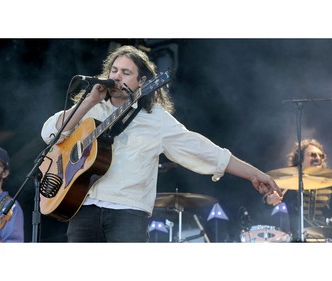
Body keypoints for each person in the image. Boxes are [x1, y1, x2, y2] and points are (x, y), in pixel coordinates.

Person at [41, 45, 282, 242]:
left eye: (126, 72)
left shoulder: (155, 119)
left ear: (141, 81)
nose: (116, 76)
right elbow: (50, 133)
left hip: (128, 213)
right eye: (114, 70)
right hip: (84, 209)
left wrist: (252, 173)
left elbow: (202, 149)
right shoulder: (92, 108)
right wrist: (88, 101)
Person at [264, 138, 332, 241]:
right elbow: (265, 206)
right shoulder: (290, 183)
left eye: (321, 156)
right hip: (298, 240)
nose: (318, 158)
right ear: (299, 159)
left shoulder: (329, 184)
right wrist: (269, 200)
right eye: (313, 155)